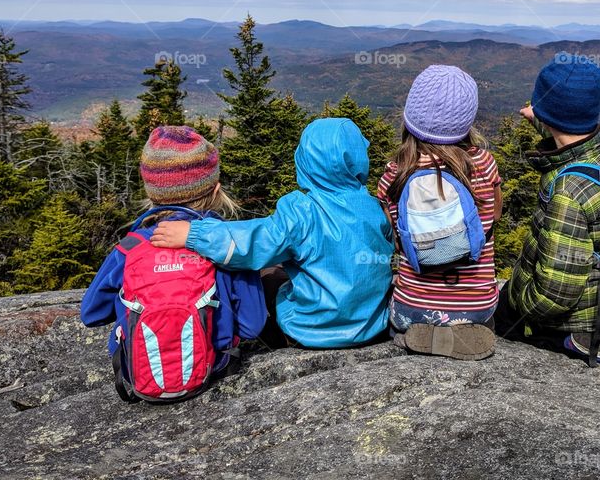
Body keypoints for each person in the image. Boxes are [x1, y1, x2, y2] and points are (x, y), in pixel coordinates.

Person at [151, 117, 394, 349]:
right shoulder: (376, 208)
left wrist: (194, 234)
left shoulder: (301, 210)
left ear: (305, 160)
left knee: (268, 275)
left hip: (312, 331)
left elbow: (253, 242)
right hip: (371, 327)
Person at [81, 126, 267, 395]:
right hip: (214, 365)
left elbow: (91, 314)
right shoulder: (226, 244)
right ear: (215, 190)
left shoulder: (130, 247)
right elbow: (252, 323)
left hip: (140, 372)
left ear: (152, 193)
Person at [498, 56, 600, 370]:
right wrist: (542, 117)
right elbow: (568, 136)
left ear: (551, 115)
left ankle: (577, 339)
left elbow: (554, 294)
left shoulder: (568, 192)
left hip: (569, 313)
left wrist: (520, 302)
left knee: (500, 318)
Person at [378, 65, 502, 360]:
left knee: (398, 314)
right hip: (478, 307)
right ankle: (465, 327)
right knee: (486, 313)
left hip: (413, 308)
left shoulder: (394, 175)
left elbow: (395, 241)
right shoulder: (484, 164)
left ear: (410, 118)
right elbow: (495, 217)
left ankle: (408, 334)